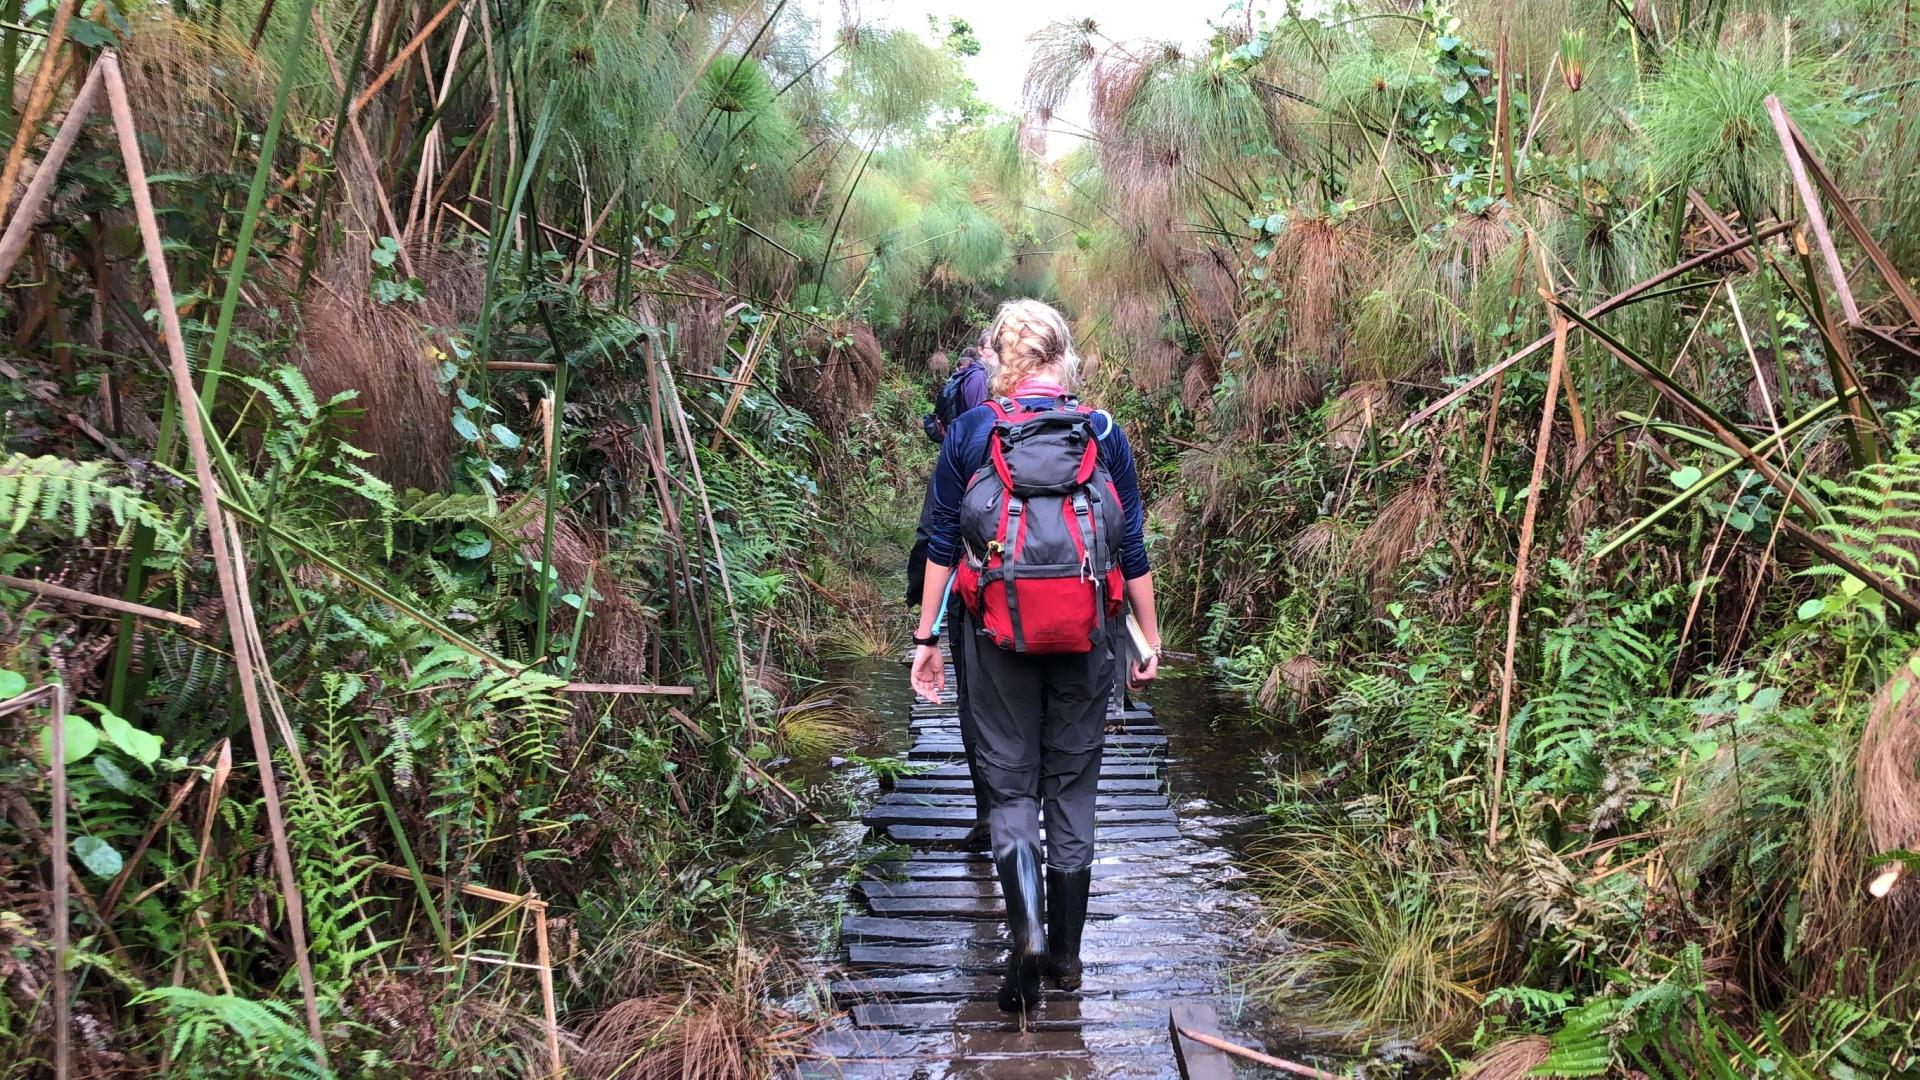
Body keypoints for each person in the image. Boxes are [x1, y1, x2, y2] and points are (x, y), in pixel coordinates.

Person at [908, 299, 1162, 1012]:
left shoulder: (970, 431)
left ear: (997, 360)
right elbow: (1131, 547)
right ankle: (1069, 958)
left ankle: (1024, 934)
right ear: (1063, 358)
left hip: (994, 638)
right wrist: (1149, 637)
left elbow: (939, 543)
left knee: (1012, 788)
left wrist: (927, 640)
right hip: (1088, 641)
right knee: (1071, 791)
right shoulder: (1103, 434)